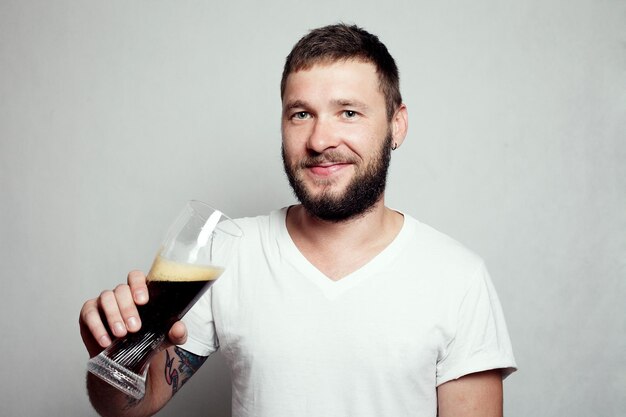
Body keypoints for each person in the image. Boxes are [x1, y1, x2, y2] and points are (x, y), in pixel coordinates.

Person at [79, 23, 516, 417]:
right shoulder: (228, 251)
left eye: (349, 112)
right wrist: (115, 355)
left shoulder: (458, 278)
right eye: (301, 114)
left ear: (397, 125)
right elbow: (132, 404)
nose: (320, 140)